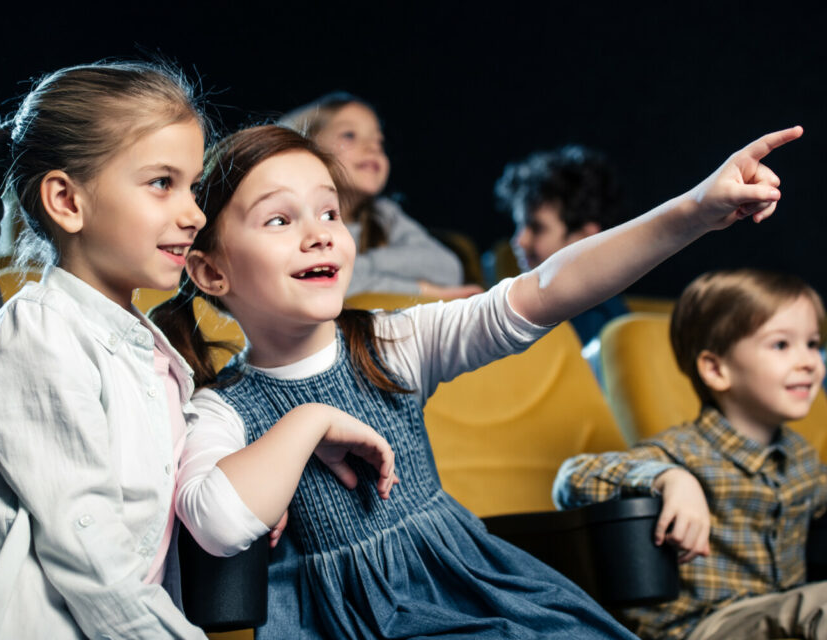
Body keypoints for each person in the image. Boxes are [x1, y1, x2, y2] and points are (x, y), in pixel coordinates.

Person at [152, 121, 802, 638]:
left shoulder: (390, 344)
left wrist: (692, 210)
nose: (319, 236)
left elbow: (549, 288)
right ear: (211, 274)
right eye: (278, 220)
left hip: (475, 591)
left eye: (330, 213)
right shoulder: (223, 410)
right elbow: (215, 520)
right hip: (347, 621)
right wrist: (310, 421)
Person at [0, 62, 397, 640]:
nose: (195, 214)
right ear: (67, 201)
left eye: (193, 186)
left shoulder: (147, 346)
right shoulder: (37, 337)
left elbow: (165, 479)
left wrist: (286, 452)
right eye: (161, 183)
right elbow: (87, 545)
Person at [553, 269, 827, 640]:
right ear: (716, 369)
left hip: (779, 615)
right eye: (782, 345)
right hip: (702, 627)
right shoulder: (681, 453)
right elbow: (573, 479)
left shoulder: (800, 455)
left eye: (813, 344)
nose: (810, 361)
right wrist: (670, 480)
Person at [280, 92, 482, 299]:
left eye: (379, 141)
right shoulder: (293, 220)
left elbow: (447, 268)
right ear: (305, 146)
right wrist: (423, 289)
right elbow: (319, 286)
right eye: (349, 135)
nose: (373, 147)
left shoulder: (383, 214)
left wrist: (362, 266)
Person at [495, 145, 629, 345]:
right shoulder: (534, 312)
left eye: (536, 227)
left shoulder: (600, 326)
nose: (520, 240)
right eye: (520, 225)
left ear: (585, 237)